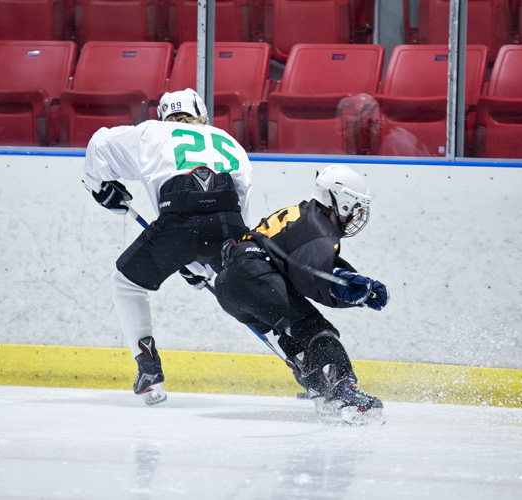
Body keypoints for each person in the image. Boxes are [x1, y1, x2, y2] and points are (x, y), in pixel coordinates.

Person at [82, 88, 253, 406]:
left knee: (127, 285)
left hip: (178, 226)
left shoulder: (152, 132)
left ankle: (148, 369)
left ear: (163, 115)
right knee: (251, 289)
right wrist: (205, 264)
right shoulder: (229, 141)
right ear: (202, 116)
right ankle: (305, 363)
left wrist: (98, 186)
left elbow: (100, 142)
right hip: (229, 226)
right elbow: (239, 206)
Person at [214, 164, 389, 424]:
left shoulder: (303, 214)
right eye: (354, 208)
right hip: (256, 278)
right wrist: (353, 291)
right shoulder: (320, 229)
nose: (355, 216)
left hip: (231, 285)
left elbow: (305, 261)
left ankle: (319, 386)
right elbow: (314, 276)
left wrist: (355, 282)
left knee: (291, 334)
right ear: (342, 202)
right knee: (316, 329)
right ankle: (343, 389)